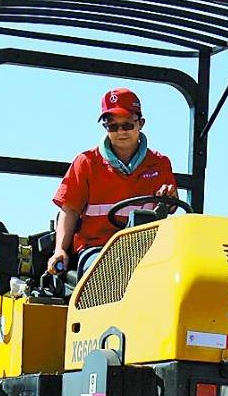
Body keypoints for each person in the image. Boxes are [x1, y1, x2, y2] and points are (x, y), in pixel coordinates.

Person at [49, 88, 179, 276]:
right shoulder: (86, 163)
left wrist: (170, 198)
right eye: (113, 126)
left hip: (145, 251)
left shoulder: (159, 164)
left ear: (140, 123)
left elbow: (170, 206)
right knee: (110, 276)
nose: (120, 132)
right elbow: (69, 209)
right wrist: (59, 250)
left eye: (127, 125)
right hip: (97, 249)